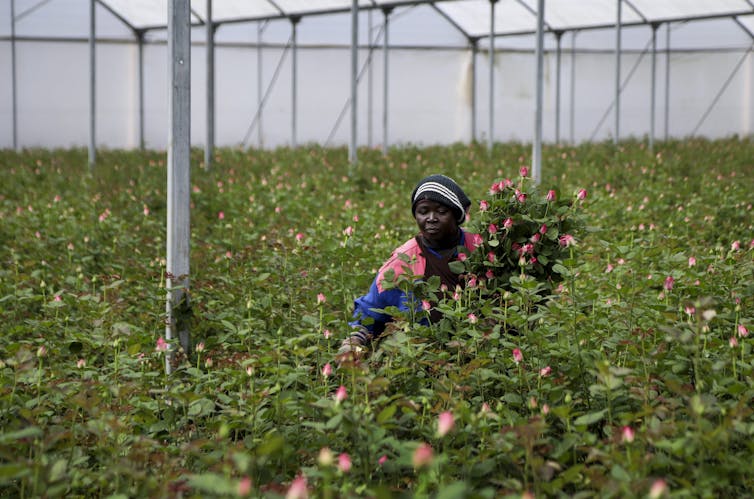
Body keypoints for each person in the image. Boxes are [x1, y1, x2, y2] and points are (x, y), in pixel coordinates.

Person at [338, 174, 480, 359]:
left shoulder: (479, 249)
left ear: (456, 215)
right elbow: (368, 312)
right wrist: (354, 342)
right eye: (423, 211)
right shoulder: (403, 261)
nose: (431, 218)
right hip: (420, 359)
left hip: (475, 351)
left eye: (441, 212)